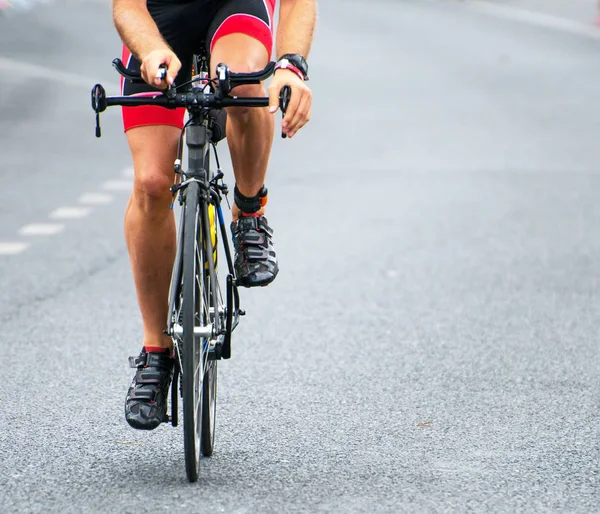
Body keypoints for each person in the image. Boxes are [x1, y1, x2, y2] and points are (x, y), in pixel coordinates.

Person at [112, 0, 317, 430]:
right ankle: (156, 352)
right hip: (161, 17)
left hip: (234, 8)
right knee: (151, 182)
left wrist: (291, 66)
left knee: (244, 85)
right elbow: (126, 7)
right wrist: (150, 51)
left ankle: (249, 213)